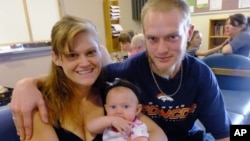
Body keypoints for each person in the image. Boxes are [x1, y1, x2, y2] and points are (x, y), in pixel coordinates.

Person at [10, 0, 230, 140]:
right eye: (152, 38)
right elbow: (79, 73)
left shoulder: (201, 75)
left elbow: (225, 133)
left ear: (189, 32)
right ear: (144, 34)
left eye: (172, 37)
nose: (162, 49)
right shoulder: (123, 75)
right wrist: (27, 83)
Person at [10, 16, 167, 141]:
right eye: (72, 55)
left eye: (91, 52)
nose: (85, 63)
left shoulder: (112, 94)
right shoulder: (41, 105)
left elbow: (157, 134)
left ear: (100, 52)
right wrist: (26, 84)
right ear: (56, 58)